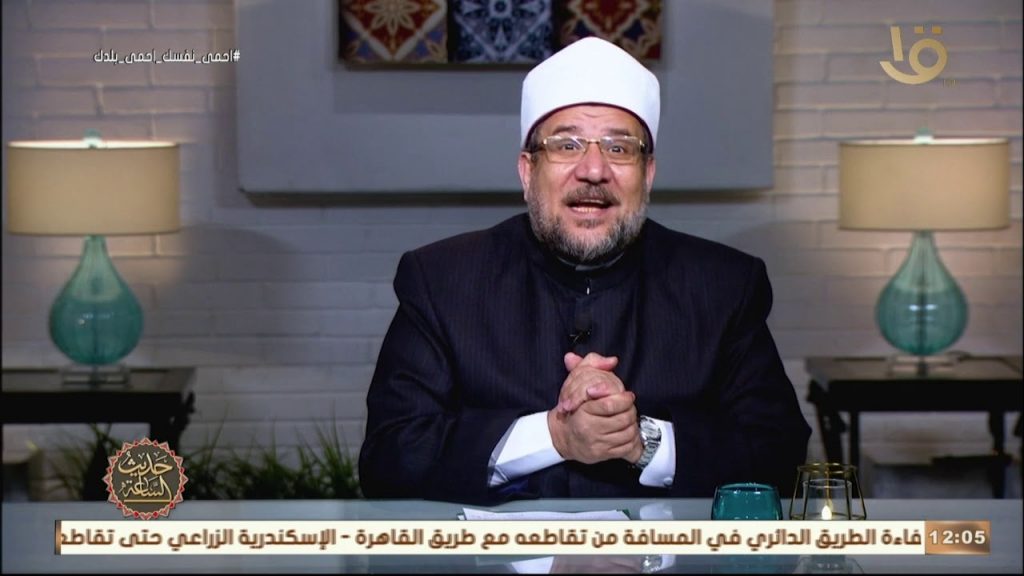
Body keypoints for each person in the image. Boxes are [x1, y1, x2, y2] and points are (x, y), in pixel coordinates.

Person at [359, 37, 810, 504]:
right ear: (527, 171)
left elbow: (780, 458)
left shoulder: (723, 286)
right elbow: (389, 462)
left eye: (619, 148)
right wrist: (553, 435)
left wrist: (640, 441)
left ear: (647, 174)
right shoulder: (441, 281)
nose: (594, 170)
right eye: (567, 144)